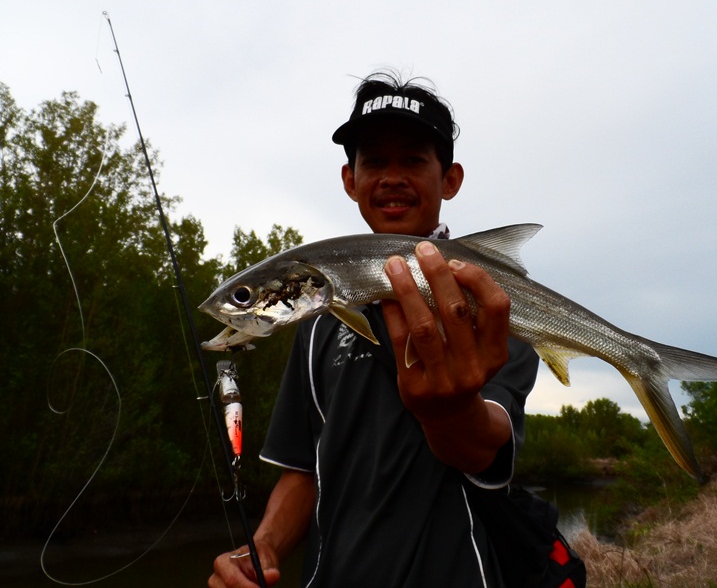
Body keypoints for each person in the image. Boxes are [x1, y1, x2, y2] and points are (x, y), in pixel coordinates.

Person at [209, 72, 545, 588]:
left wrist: (451, 415)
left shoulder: (491, 304)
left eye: (413, 159)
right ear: (350, 179)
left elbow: (485, 446)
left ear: (450, 179)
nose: (392, 176)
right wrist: (266, 545)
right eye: (374, 161)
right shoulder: (316, 323)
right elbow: (303, 467)